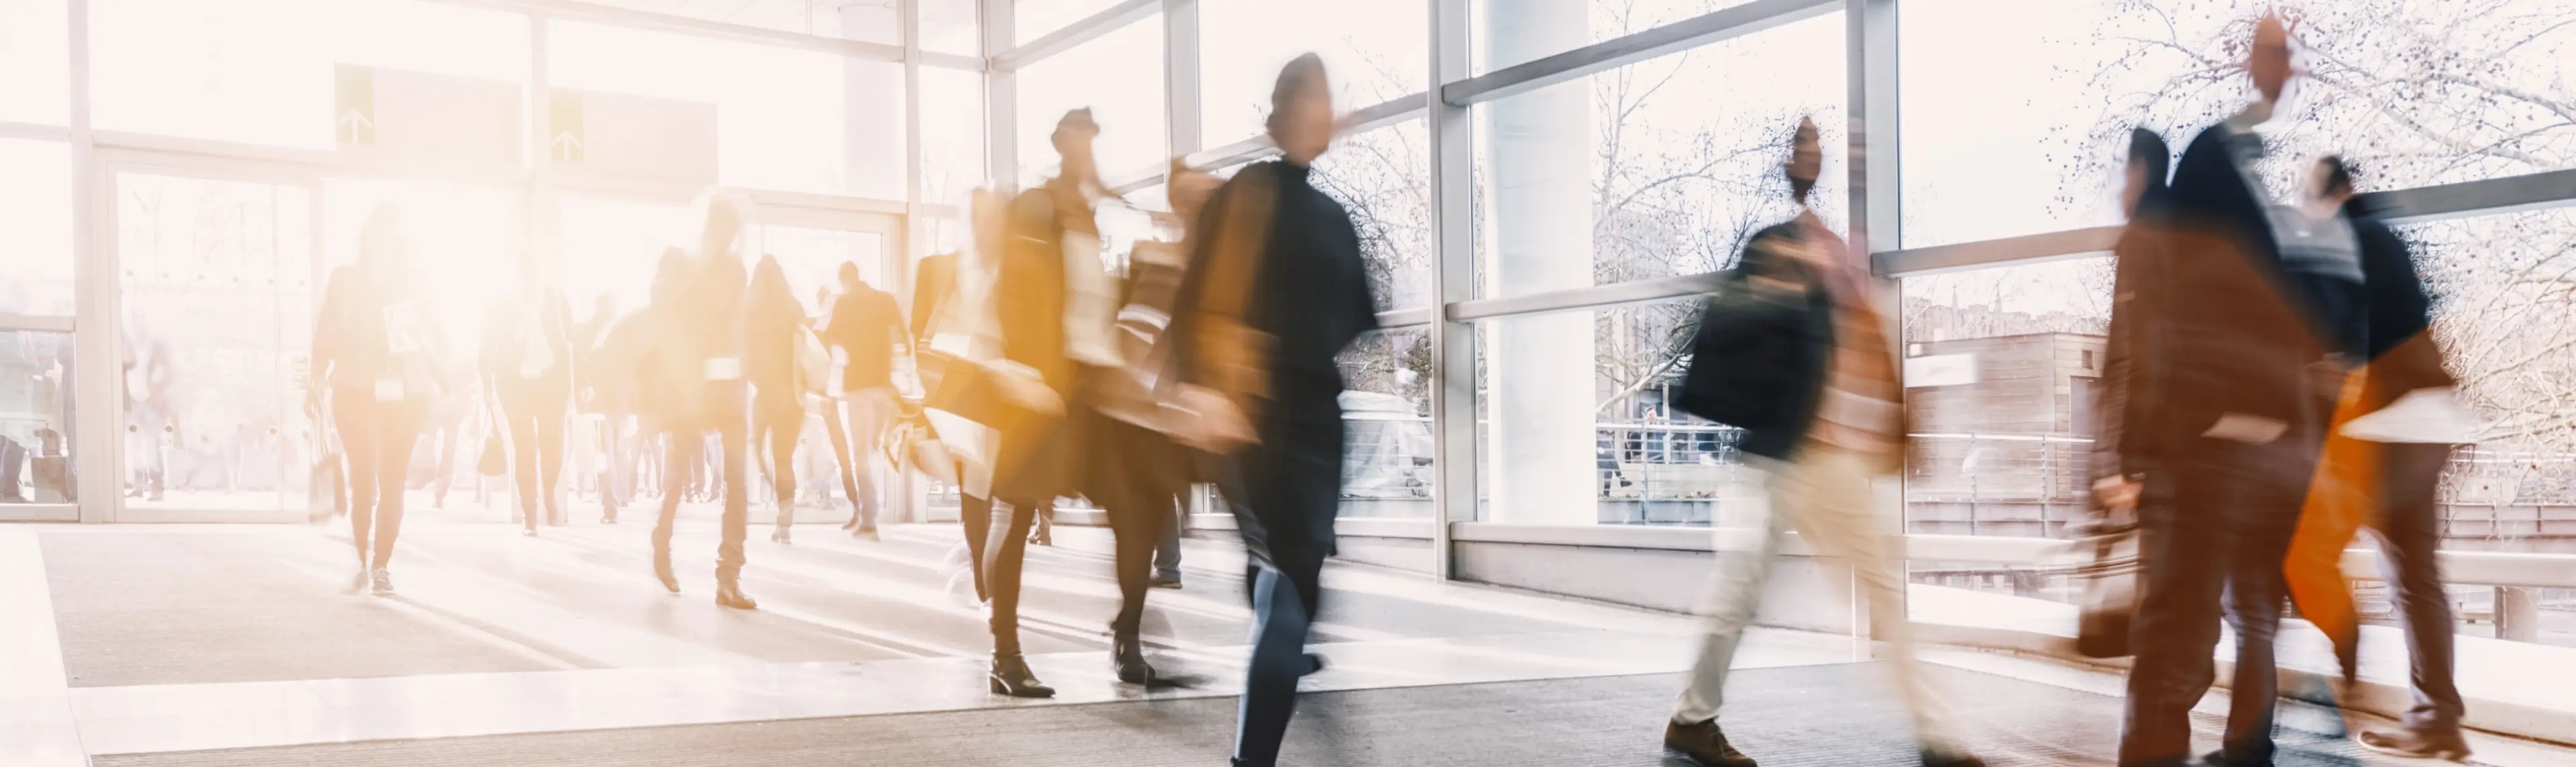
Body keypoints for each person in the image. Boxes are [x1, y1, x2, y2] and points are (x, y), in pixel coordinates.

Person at [1663, 118, 1980, 767]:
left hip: (1815, 459)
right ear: (1792, 165)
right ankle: (1938, 736)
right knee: (1776, 592)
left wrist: (1894, 427)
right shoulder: (1782, 249)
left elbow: (1863, 358)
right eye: (1806, 147)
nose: (1815, 157)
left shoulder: (1835, 253)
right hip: (1797, 455)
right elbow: (1734, 335)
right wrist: (1782, 288)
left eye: (1822, 148)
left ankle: (1693, 720)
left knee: (1764, 590)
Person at [2100, 14, 2347, 767]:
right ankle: (2250, 748)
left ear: (2143, 176)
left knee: (2174, 639)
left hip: (2200, 453)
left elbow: (2140, 359)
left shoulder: (2158, 238)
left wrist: (2130, 461)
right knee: (2253, 618)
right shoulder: (2263, 245)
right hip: (2272, 460)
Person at [1167, 54, 1379, 767]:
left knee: (1297, 579)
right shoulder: (1251, 195)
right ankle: (1251, 758)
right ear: (1290, 109)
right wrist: (1209, 388)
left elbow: (1350, 319)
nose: (1332, 111)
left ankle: (1275, 641)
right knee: (1287, 581)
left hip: (1313, 417)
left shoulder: (1328, 213)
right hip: (1257, 418)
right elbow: (1197, 302)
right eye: (1321, 97)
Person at [2297, 156, 2471, 760]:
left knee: (2313, 548)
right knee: (2414, 573)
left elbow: (2341, 336)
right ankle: (2438, 720)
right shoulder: (2383, 234)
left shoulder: (2352, 236)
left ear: (2325, 200)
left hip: (2391, 423)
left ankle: (2334, 698)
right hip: (2425, 416)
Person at [1086, 160, 1224, 684]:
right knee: (1136, 530)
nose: (1196, 208)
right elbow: (1127, 342)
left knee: (1149, 525)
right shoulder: (1159, 261)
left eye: (1205, 199)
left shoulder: (1215, 269)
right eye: (1188, 198)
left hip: (1173, 426)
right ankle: (1128, 636)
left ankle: (1128, 625)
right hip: (1131, 423)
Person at [311, 204, 449, 595]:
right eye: (378, 231)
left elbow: (434, 333)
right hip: (355, 390)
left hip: (405, 393)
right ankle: (361, 558)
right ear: (367, 237)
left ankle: (382, 565)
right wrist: (316, 380)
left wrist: (442, 376)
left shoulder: (415, 283)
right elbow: (323, 333)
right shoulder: (345, 279)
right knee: (363, 478)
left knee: (392, 482)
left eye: (392, 232)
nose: (385, 240)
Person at [644, 196, 759, 610]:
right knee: (678, 479)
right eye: (721, 229)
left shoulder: (734, 269)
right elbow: (663, 319)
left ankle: (729, 577)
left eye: (731, 232)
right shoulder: (677, 262)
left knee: (737, 482)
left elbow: (736, 323)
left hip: (727, 385)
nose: (726, 238)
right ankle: (662, 542)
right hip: (689, 388)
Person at [483, 255, 575, 536]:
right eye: (522, 274)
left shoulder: (555, 298)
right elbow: (486, 343)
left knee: (552, 445)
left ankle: (548, 491)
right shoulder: (501, 304)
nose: (527, 279)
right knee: (524, 447)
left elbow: (571, 340)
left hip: (552, 382)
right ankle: (529, 514)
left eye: (531, 273)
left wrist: (579, 380)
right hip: (515, 384)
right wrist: (486, 382)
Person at [821, 261, 904, 540]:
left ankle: (869, 520)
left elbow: (829, 336)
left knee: (861, 456)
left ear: (844, 280)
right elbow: (903, 336)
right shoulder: (885, 300)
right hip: (885, 386)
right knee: (875, 447)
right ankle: (873, 507)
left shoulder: (844, 303)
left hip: (858, 387)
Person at [745, 256, 812, 543]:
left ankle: (778, 499)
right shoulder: (793, 307)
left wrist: (756, 378)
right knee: (784, 457)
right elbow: (809, 346)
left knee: (757, 450)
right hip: (793, 396)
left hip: (766, 395)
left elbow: (744, 353)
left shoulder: (751, 311)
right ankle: (784, 521)